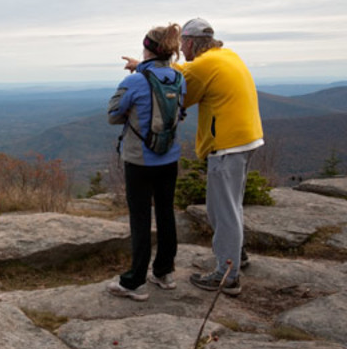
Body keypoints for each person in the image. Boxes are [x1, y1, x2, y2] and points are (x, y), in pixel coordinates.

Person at [176, 18, 264, 296]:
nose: (180, 49)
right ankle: (236, 255)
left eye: (181, 44)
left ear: (189, 43)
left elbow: (181, 92)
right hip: (247, 139)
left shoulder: (204, 64)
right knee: (232, 205)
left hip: (227, 145)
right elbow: (187, 71)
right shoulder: (226, 55)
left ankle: (227, 274)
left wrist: (145, 68)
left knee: (221, 211)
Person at [106, 23, 185, 301]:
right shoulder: (178, 79)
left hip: (139, 160)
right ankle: (164, 272)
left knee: (140, 218)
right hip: (169, 157)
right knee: (165, 212)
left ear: (147, 48)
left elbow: (113, 114)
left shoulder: (134, 82)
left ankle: (134, 282)